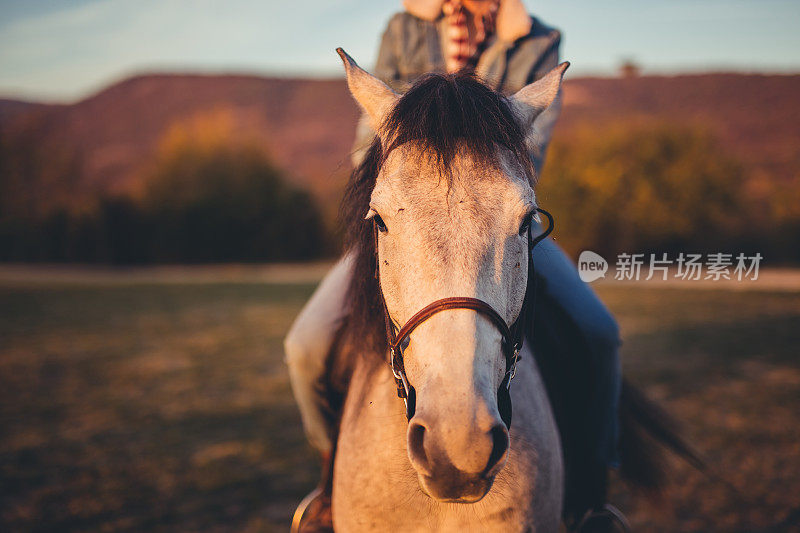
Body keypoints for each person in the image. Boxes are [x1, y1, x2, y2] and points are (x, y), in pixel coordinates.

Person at [286, 1, 622, 530]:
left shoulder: (539, 39)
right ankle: (331, 483)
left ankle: (591, 499)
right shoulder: (405, 28)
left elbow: (530, 152)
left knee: (600, 335)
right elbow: (366, 144)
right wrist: (409, 186)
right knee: (304, 347)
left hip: (496, 217)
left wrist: (469, 168)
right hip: (411, 214)